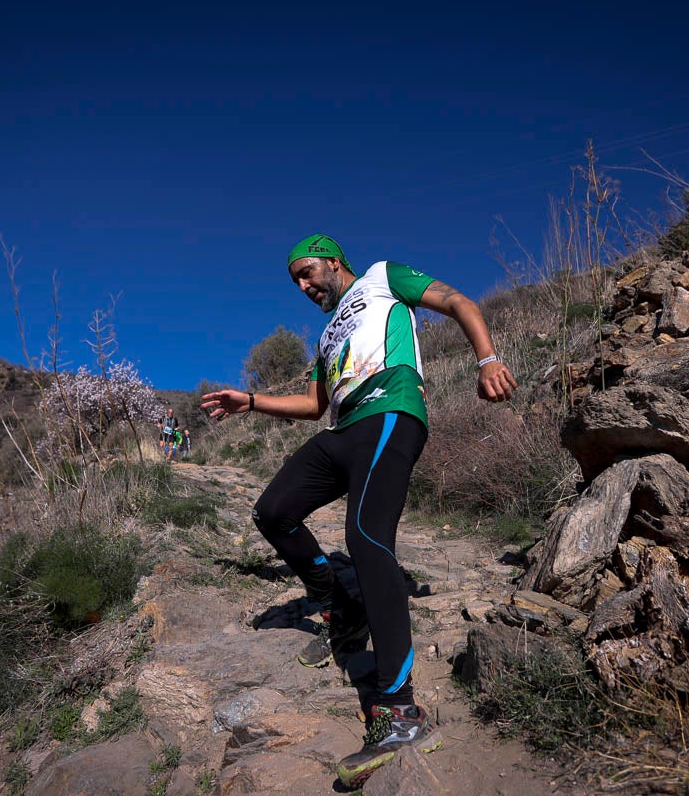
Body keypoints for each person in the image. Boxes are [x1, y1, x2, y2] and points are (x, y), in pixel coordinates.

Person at [202, 233, 516, 787]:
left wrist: (486, 358)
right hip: (342, 429)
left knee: (367, 539)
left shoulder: (382, 277)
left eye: (307, 272)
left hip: (391, 410)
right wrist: (249, 401)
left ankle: (400, 709)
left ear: (333, 261)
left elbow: (457, 301)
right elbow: (314, 405)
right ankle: (343, 607)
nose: (303, 286)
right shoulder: (327, 335)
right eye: (295, 281)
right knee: (273, 511)